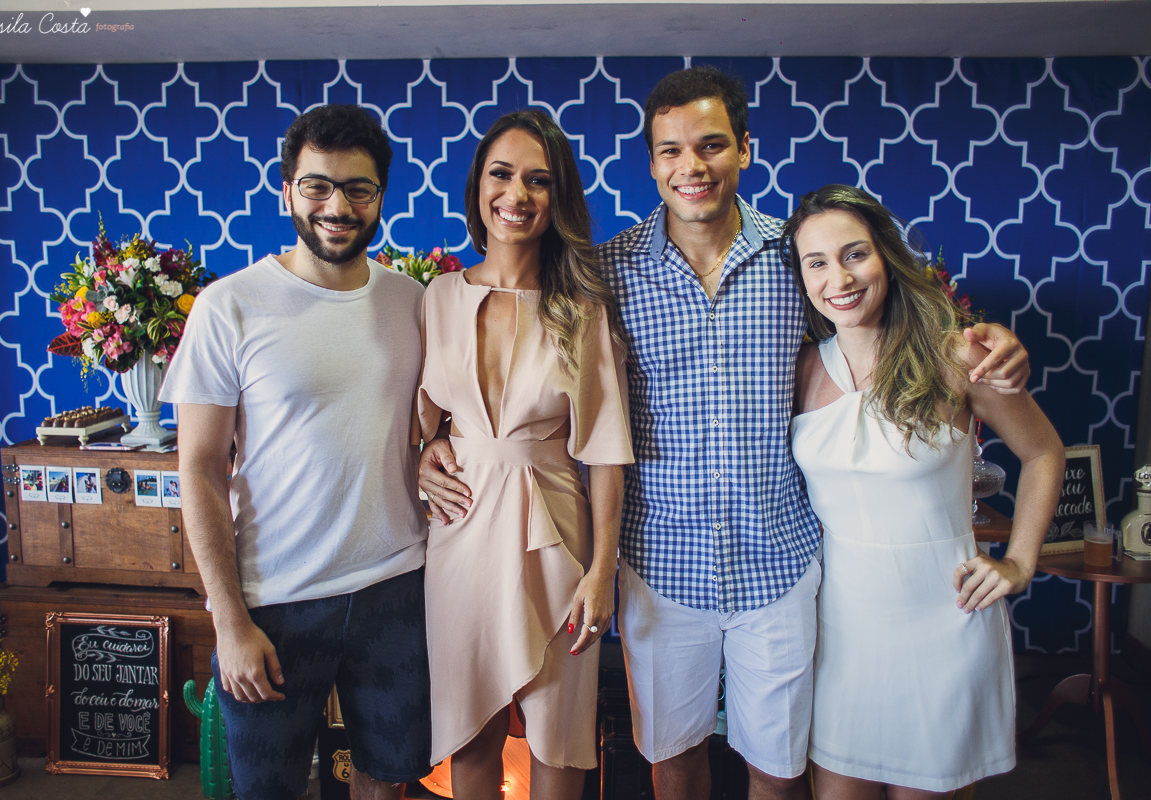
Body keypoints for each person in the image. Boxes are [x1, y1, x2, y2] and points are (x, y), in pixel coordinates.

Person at [420, 67, 1031, 800]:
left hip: (779, 562)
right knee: (673, 766)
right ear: (650, 163)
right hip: (659, 565)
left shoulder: (795, 257)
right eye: (671, 151)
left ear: (744, 148)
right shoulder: (603, 275)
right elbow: (527, 373)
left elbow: (885, 315)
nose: (692, 167)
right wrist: (432, 444)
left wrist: (984, 342)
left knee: (777, 773)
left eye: (711, 145)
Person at [161, 104, 432, 800]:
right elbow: (197, 466)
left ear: (381, 195)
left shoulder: (414, 302)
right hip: (274, 602)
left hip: (397, 590)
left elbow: (431, 423)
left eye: (358, 188)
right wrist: (228, 620)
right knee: (267, 790)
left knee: (390, 782)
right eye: (318, 186)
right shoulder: (231, 306)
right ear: (287, 189)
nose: (337, 206)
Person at [784, 184, 1064, 799]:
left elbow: (1044, 453)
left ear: (886, 256)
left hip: (944, 619)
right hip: (840, 630)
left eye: (854, 254)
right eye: (817, 262)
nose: (840, 277)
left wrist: (1019, 562)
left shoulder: (957, 356)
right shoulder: (799, 368)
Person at [417, 109, 633, 800]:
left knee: (560, 737)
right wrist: (425, 454)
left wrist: (602, 571)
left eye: (539, 181)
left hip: (560, 532)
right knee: (469, 728)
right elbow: (416, 423)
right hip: (460, 532)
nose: (517, 194)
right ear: (478, 186)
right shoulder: (436, 298)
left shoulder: (582, 307)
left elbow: (604, 452)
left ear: (558, 197)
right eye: (502, 174)